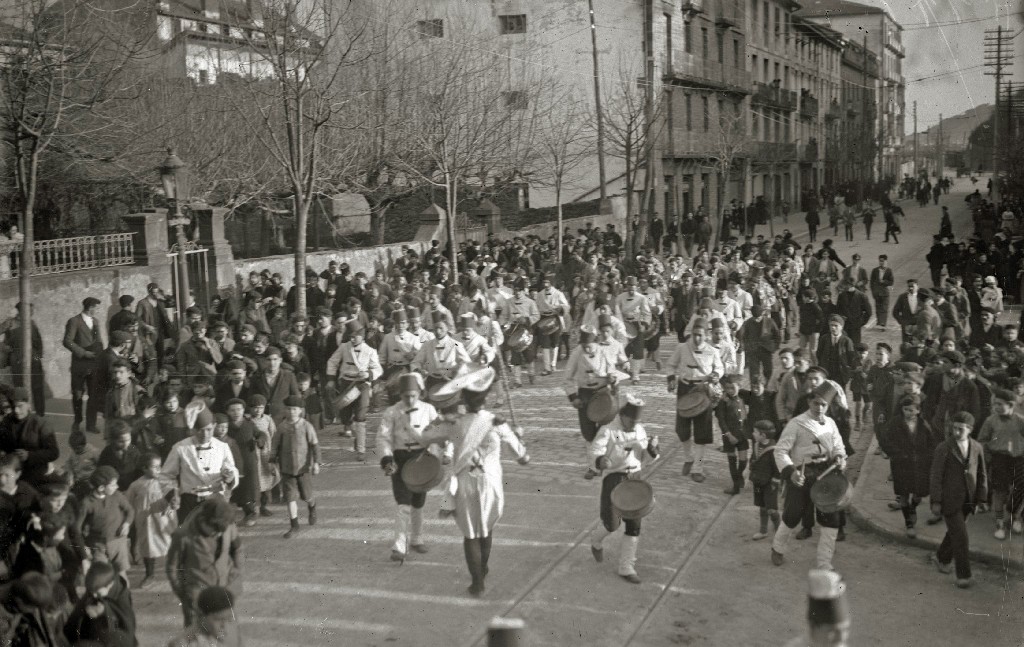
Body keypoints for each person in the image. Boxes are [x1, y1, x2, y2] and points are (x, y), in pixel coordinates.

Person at [418, 367, 530, 597]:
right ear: (486, 398)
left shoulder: (454, 424)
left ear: (463, 399)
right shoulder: (497, 422)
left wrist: (441, 418)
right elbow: (523, 459)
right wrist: (518, 436)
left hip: (465, 481)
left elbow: (425, 436)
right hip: (490, 482)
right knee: (486, 530)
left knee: (470, 534)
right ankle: (483, 568)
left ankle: (477, 582)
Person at [770, 382, 848, 571]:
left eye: (823, 405)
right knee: (793, 513)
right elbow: (780, 451)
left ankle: (824, 562)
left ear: (828, 406)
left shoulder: (830, 423)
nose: (819, 408)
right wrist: (791, 472)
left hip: (826, 474)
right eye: (816, 404)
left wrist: (839, 457)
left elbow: (839, 446)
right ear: (809, 402)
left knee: (830, 519)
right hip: (803, 474)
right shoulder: (796, 423)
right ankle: (777, 548)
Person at [588, 394, 659, 584]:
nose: (633, 424)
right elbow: (595, 450)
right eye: (630, 420)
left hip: (634, 479)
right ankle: (595, 540)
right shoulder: (607, 431)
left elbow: (646, 457)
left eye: (636, 421)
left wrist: (653, 451)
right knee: (612, 523)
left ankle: (626, 567)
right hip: (614, 478)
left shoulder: (639, 430)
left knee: (634, 524)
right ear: (622, 416)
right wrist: (601, 460)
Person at [377, 373, 441, 561]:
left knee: (418, 502)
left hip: (421, 459)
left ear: (420, 393)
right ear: (400, 395)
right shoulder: (392, 412)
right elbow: (383, 437)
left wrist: (442, 454)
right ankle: (399, 546)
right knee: (403, 503)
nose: (410, 399)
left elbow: (439, 432)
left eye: (413, 395)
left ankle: (417, 538)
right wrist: (387, 459)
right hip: (400, 460)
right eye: (406, 396)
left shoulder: (429, 410)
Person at [165, 495, 243, 627]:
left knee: (226, 631)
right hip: (197, 597)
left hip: (224, 590)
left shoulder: (227, 525)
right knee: (197, 634)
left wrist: (235, 573)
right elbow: (172, 568)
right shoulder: (182, 535)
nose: (218, 534)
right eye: (215, 530)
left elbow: (237, 549)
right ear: (204, 520)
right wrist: (184, 594)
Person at [929, 411, 987, 589]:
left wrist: (981, 499)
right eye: (954, 428)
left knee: (955, 532)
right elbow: (936, 476)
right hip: (949, 500)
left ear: (970, 429)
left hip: (968, 501)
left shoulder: (977, 447)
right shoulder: (944, 448)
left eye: (960, 429)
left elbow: (981, 474)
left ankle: (941, 557)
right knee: (961, 537)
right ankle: (964, 576)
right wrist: (936, 501)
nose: (956, 432)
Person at [666, 317, 724, 483]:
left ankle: (698, 468)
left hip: (702, 390)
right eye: (694, 335)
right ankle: (689, 457)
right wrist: (670, 378)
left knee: (702, 431)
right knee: (681, 429)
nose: (697, 339)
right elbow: (671, 365)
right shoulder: (682, 348)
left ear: (706, 335)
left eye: (700, 335)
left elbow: (719, 368)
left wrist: (715, 375)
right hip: (685, 389)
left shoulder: (712, 351)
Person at [160, 402, 239, 521]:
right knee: (188, 536)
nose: (204, 434)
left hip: (215, 499)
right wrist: (172, 493)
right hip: (189, 501)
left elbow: (231, 468)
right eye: (200, 430)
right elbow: (166, 475)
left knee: (216, 535)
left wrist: (230, 477)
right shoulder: (181, 447)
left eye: (208, 430)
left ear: (214, 426)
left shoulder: (222, 447)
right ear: (193, 430)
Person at [877, 395, 937, 538]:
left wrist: (927, 458)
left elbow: (932, 444)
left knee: (918, 494)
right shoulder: (895, 423)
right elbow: (885, 441)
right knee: (903, 493)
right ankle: (909, 523)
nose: (908, 412)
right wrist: (897, 453)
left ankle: (913, 508)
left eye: (912, 410)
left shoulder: (924, 424)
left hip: (920, 465)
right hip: (901, 464)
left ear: (918, 410)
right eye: (905, 409)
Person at [564, 330, 621, 479]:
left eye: (589, 346)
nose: (586, 349)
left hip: (603, 393)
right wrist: (573, 397)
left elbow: (613, 370)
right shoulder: (577, 353)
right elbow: (567, 377)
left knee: (606, 430)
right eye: (584, 346)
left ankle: (607, 463)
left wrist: (613, 378)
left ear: (596, 342)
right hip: (585, 395)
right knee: (588, 433)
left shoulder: (604, 351)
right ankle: (593, 466)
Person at [326, 321, 383, 460]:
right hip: (346, 384)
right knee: (345, 416)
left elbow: (378, 369)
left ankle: (361, 450)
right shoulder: (344, 347)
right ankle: (349, 425)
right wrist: (331, 379)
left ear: (362, 336)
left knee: (361, 416)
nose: (352, 339)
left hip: (361, 385)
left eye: (355, 336)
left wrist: (368, 374)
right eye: (350, 336)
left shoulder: (370, 351)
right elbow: (332, 362)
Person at [976, 387, 1024, 540]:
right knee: (1000, 491)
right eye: (995, 404)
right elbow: (982, 440)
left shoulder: (1020, 420)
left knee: (1019, 489)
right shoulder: (991, 421)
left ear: (1011, 405)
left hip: (1019, 459)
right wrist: (988, 456)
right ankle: (999, 524)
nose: (996, 407)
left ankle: (1016, 517)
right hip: (999, 459)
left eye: (1000, 404)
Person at [270, 395, 320, 539]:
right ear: (285, 410)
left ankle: (312, 507)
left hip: (302, 468)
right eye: (289, 409)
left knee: (306, 495)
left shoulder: (306, 426)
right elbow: (274, 446)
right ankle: (294, 525)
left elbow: (315, 445)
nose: (292, 412)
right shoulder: (281, 427)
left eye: (295, 409)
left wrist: (316, 462)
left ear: (300, 411)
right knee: (290, 497)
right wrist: (272, 462)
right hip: (286, 468)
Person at [126, 452, 178, 588]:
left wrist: (173, 501)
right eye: (154, 467)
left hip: (164, 520)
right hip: (146, 522)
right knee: (148, 547)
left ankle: (176, 570)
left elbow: (175, 494)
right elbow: (128, 504)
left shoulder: (165, 480)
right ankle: (150, 574)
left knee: (171, 544)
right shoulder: (136, 485)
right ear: (144, 468)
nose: (159, 470)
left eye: (160, 466)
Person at [79, 465, 135, 581]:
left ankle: (124, 596)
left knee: (121, 574)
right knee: (102, 576)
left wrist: (127, 524)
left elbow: (130, 510)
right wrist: (84, 547)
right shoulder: (87, 503)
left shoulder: (117, 495)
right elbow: (77, 528)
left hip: (118, 542)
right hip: (98, 546)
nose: (117, 486)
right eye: (113, 484)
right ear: (101, 488)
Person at [63, 561, 137, 646]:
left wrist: (104, 611)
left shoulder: (122, 598)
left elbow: (127, 629)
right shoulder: (96, 587)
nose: (94, 596)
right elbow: (76, 614)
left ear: (110, 585)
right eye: (91, 592)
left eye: (97, 593)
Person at [0, 387, 57, 488]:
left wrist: (30, 455)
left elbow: (53, 452)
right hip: (11, 474)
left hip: (35, 474)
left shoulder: (41, 424)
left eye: (20, 406)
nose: (16, 411)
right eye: (13, 407)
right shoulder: (6, 422)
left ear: (28, 404)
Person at [64, 296, 105, 434]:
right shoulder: (74, 321)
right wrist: (83, 353)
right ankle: (77, 421)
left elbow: (99, 341)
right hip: (79, 365)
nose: (96, 310)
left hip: (93, 365)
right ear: (89, 307)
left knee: (93, 395)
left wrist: (100, 354)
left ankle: (91, 424)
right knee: (77, 394)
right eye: (95, 307)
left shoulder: (96, 321)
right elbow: (67, 341)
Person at [166, 585, 242, 647]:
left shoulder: (233, 633)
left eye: (228, 618)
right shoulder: (184, 643)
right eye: (218, 619)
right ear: (201, 616)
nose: (225, 625)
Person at [716, 375, 748, 496]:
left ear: (739, 387)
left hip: (742, 434)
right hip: (729, 435)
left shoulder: (742, 397)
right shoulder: (723, 402)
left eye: (732, 388)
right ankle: (735, 486)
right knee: (732, 460)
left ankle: (739, 476)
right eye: (727, 388)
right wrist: (729, 435)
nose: (730, 391)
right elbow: (721, 421)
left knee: (744, 460)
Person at [749, 419, 781, 540]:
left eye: (755, 432)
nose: (753, 434)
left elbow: (778, 468)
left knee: (771, 509)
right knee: (762, 506)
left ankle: (779, 532)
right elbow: (753, 458)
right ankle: (763, 531)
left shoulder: (774, 449)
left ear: (763, 435)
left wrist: (775, 482)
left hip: (770, 483)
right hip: (758, 480)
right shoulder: (756, 445)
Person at [869, 255, 894, 330]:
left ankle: (883, 324)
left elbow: (891, 282)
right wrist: (873, 292)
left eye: (883, 261)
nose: (881, 262)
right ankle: (879, 322)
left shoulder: (889, 270)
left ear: (886, 261)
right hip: (877, 293)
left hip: (885, 293)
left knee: (884, 308)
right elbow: (871, 282)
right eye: (880, 261)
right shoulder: (875, 270)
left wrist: (884, 281)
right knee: (878, 308)